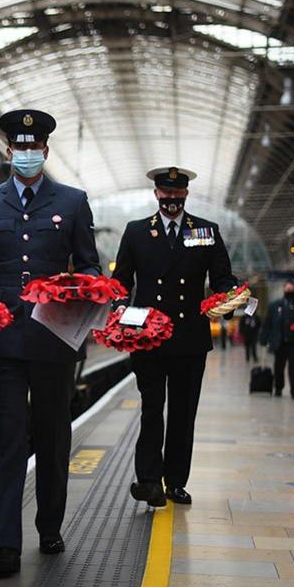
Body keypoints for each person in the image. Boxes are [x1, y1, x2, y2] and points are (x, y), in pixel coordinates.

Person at [0, 109, 101, 574]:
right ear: (8, 152)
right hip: (1, 342)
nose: (25, 155)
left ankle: (49, 527)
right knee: (8, 440)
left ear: (45, 150)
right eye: (18, 148)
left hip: (53, 340)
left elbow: (90, 267)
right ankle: (7, 546)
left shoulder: (74, 201)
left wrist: (81, 287)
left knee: (54, 438)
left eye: (32, 148)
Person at [111, 167, 238, 507]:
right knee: (152, 408)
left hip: (189, 339)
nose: (171, 201)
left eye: (177, 196)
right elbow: (121, 280)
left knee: (183, 412)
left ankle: (175, 481)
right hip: (147, 337)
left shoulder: (206, 232)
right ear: (156, 194)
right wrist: (121, 306)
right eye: (166, 195)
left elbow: (222, 277)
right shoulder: (136, 232)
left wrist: (230, 296)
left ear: (186, 195)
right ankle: (149, 481)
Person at [259, 280, 294, 399]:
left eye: (291, 289)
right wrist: (264, 339)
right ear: (283, 290)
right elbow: (268, 324)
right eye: (287, 289)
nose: (289, 291)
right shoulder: (274, 306)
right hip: (279, 343)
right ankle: (278, 387)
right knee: (279, 367)